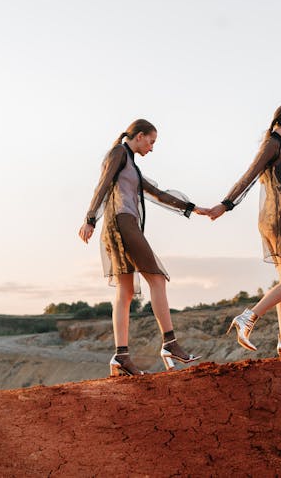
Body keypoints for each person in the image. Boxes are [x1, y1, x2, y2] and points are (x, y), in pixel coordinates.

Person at [79, 119, 205, 376]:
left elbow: (157, 194)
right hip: (122, 224)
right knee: (157, 279)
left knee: (125, 293)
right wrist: (90, 218)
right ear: (138, 136)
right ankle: (170, 343)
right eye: (151, 141)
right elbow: (102, 185)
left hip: (121, 225)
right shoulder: (118, 154)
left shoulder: (131, 166)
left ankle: (121, 356)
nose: (152, 147)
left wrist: (192, 208)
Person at [208, 104, 281, 358]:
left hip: (276, 217)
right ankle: (248, 318)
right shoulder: (272, 145)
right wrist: (226, 204)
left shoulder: (277, 146)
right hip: (279, 217)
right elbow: (249, 175)